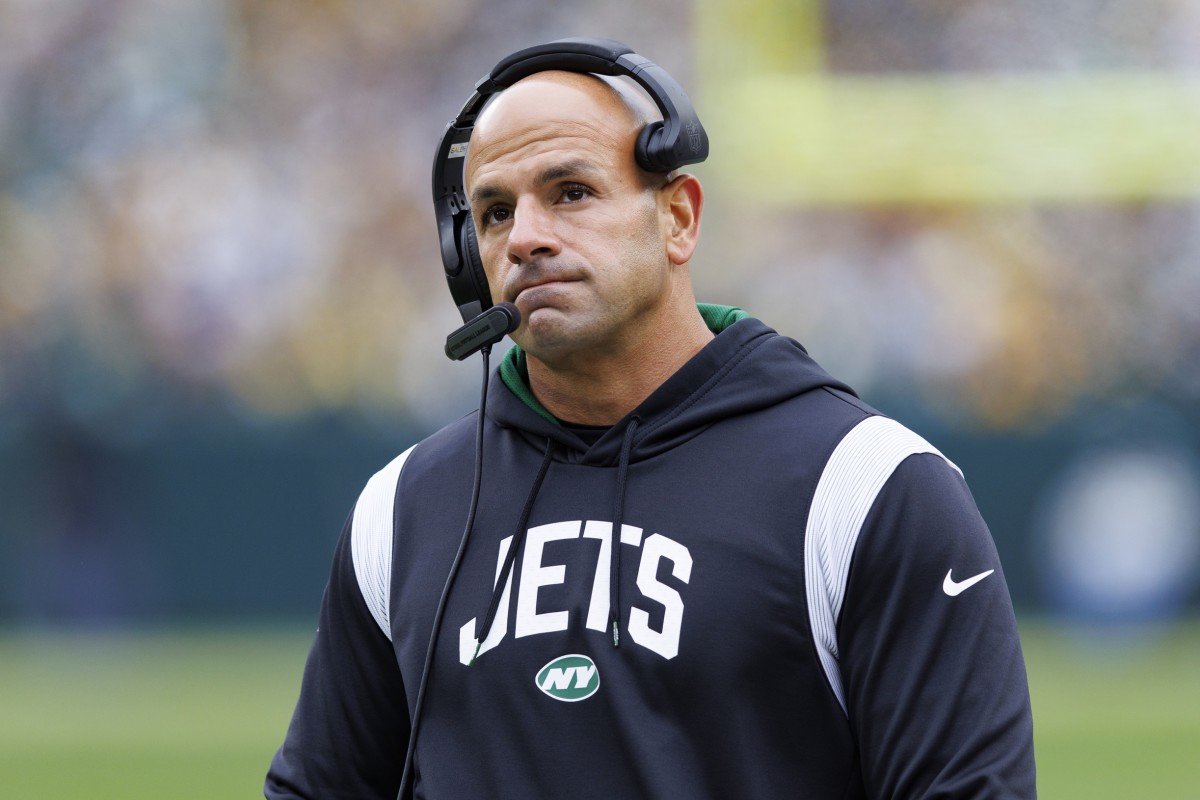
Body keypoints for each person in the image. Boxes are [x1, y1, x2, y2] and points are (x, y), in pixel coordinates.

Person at [266, 39, 1036, 799]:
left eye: (570, 192)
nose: (527, 236)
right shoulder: (401, 510)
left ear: (678, 219)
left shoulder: (867, 488)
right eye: (495, 212)